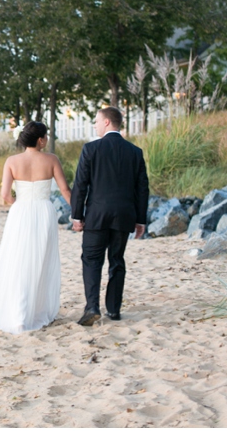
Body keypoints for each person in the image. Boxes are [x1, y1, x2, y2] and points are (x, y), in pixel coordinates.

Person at [0, 121, 72, 334]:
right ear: (40, 140)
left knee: (18, 258)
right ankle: (36, 310)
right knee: (41, 259)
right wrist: (78, 212)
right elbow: (65, 190)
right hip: (44, 211)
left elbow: (5, 195)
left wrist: (19, 204)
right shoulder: (51, 160)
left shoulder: (12, 161)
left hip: (20, 213)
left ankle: (19, 314)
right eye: (45, 136)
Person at [70, 107, 149, 327]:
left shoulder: (91, 149)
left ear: (106, 122)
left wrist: (77, 216)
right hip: (124, 216)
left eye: (96, 121)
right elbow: (142, 188)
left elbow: (81, 185)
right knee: (117, 261)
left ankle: (92, 307)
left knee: (92, 260)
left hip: (96, 215)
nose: (94, 125)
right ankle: (113, 310)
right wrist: (140, 219)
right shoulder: (135, 152)